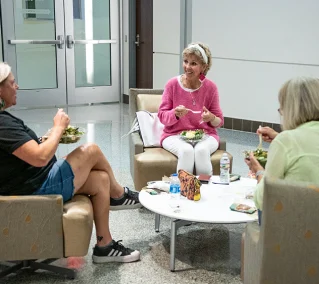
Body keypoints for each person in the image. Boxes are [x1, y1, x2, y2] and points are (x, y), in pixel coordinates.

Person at [0, 62, 140, 264]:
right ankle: (118, 195)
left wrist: (45, 139)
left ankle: (104, 246)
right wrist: (58, 127)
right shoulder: (2, 124)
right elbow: (40, 158)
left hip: (35, 180)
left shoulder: (3, 120)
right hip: (35, 188)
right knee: (91, 150)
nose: (17, 86)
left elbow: (23, 152)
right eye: (12, 83)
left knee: (101, 179)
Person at [245, 77, 319, 224]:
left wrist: (259, 171)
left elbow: (263, 199)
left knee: (245, 236)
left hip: (289, 227)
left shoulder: (285, 141)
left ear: (292, 109)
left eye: (282, 109)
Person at [158, 42, 223, 175]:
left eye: (193, 63)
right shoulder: (172, 85)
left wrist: (211, 117)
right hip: (174, 135)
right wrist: (175, 114)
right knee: (186, 151)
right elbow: (162, 116)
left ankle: (205, 191)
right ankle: (184, 191)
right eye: (186, 61)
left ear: (203, 67)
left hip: (206, 135)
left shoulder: (211, 88)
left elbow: (219, 121)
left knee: (201, 151)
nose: (187, 67)